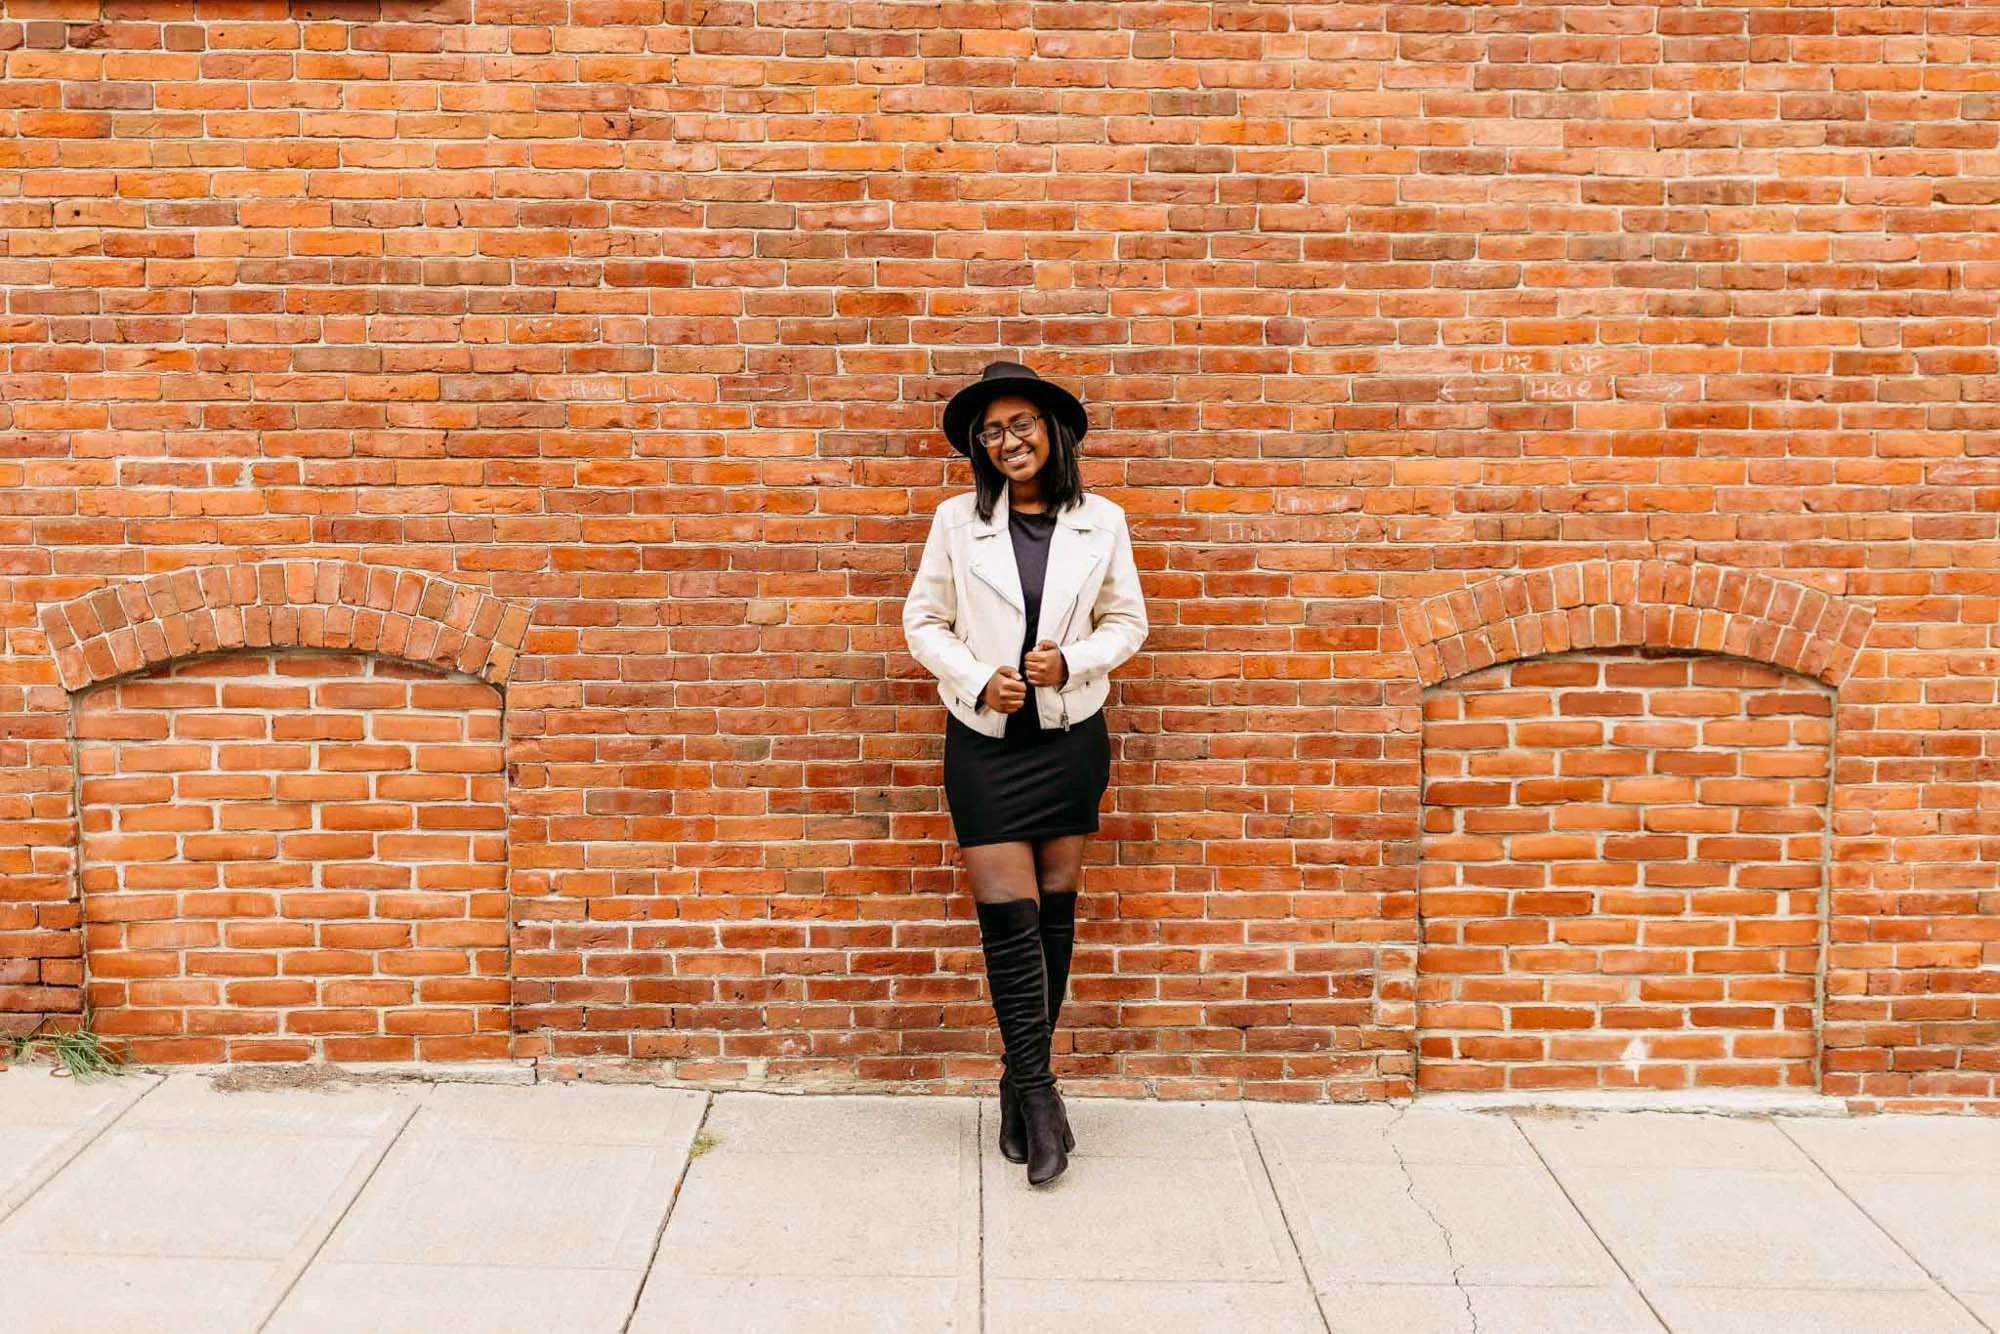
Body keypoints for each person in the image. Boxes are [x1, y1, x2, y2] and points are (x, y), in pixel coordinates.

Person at [902, 361, 1148, 1186]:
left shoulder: (1102, 521)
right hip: (985, 741)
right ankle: (1041, 1094)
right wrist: (977, 677)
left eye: (1021, 424)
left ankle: (1018, 1083)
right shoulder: (955, 522)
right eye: (992, 431)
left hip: (1070, 735)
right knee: (1008, 915)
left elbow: (1127, 622)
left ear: (1052, 430)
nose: (1007, 441)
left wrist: (1071, 662)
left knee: (1054, 917)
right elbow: (923, 622)